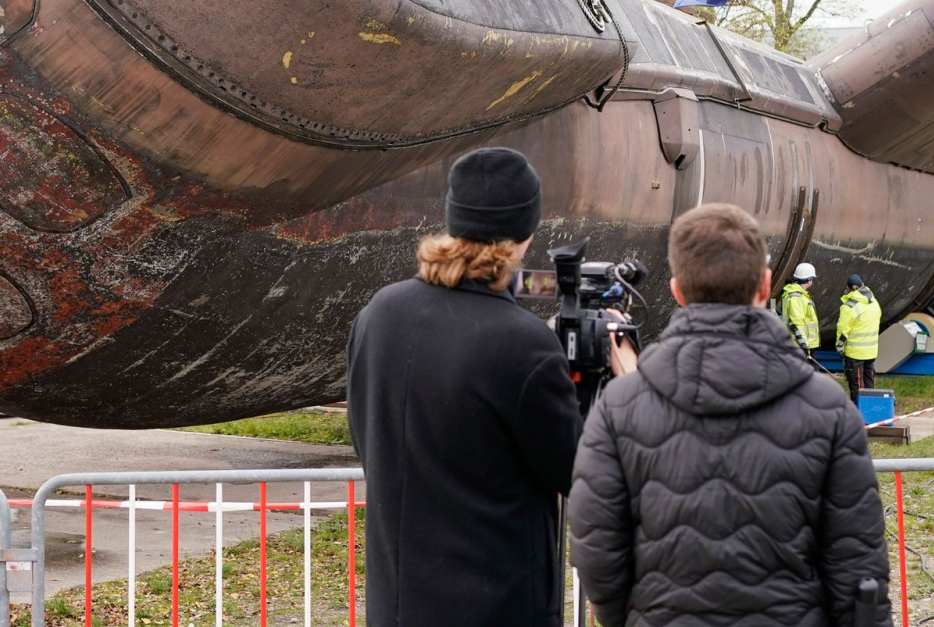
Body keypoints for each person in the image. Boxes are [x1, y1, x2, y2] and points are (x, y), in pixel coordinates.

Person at [346, 147, 636, 627]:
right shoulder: (523, 345)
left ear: (453, 218)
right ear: (527, 231)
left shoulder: (379, 314)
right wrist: (625, 383)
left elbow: (366, 434)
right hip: (496, 606)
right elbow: (580, 473)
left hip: (396, 604)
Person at [569, 203, 892, 627]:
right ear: (764, 285)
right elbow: (858, 567)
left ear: (678, 291)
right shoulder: (829, 408)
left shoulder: (619, 407)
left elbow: (598, 551)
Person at [836, 273, 882, 404]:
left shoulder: (849, 307)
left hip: (855, 353)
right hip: (871, 352)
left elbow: (842, 331)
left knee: (856, 386)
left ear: (853, 287)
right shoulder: (874, 302)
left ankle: (858, 415)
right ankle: (871, 412)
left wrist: (839, 348)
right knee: (869, 384)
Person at [780, 262, 821, 359]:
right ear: (809, 279)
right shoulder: (796, 298)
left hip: (803, 344)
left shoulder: (799, 295)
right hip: (800, 346)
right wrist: (804, 346)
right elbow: (796, 324)